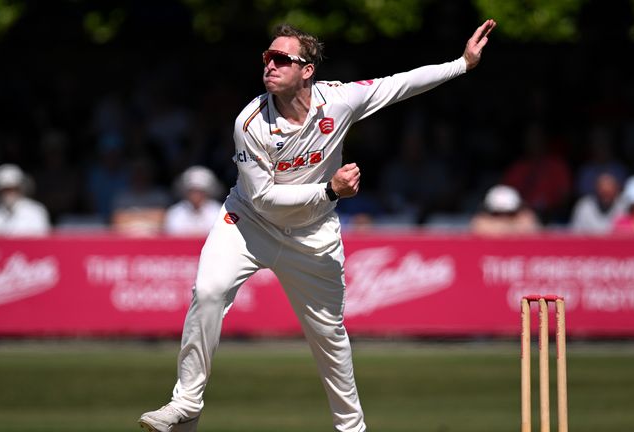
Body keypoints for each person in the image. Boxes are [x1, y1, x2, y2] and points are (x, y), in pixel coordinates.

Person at [138, 19, 497, 432]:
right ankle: (185, 405)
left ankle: (351, 429)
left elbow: (399, 84)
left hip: (312, 236)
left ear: (307, 70)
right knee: (208, 291)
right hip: (248, 224)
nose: (269, 65)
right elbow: (264, 198)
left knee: (329, 337)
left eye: (281, 59)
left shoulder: (339, 100)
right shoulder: (250, 123)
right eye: (266, 58)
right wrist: (330, 189)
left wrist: (462, 63)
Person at [0, 163, 51, 236]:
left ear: (21, 188)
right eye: (4, 190)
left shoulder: (36, 212)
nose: (8, 194)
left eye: (12, 189)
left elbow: (42, 242)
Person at [164, 165, 223, 236]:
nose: (195, 195)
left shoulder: (218, 211)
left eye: (200, 191)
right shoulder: (175, 212)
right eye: (192, 191)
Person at [469, 184, 540, 236]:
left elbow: (532, 228)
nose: (503, 218)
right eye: (497, 214)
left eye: (510, 214)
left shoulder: (526, 218)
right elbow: (479, 228)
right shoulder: (481, 220)